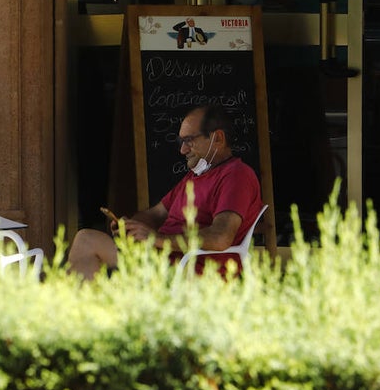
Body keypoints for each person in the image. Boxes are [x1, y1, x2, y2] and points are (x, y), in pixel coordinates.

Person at [68, 104, 261, 280]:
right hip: (163, 259)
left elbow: (220, 237)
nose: (183, 150)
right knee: (87, 248)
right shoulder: (194, 177)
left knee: (87, 241)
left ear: (217, 138)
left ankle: (78, 311)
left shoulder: (236, 175)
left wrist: (155, 239)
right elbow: (156, 214)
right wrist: (133, 227)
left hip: (192, 270)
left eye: (189, 140)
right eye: (181, 142)